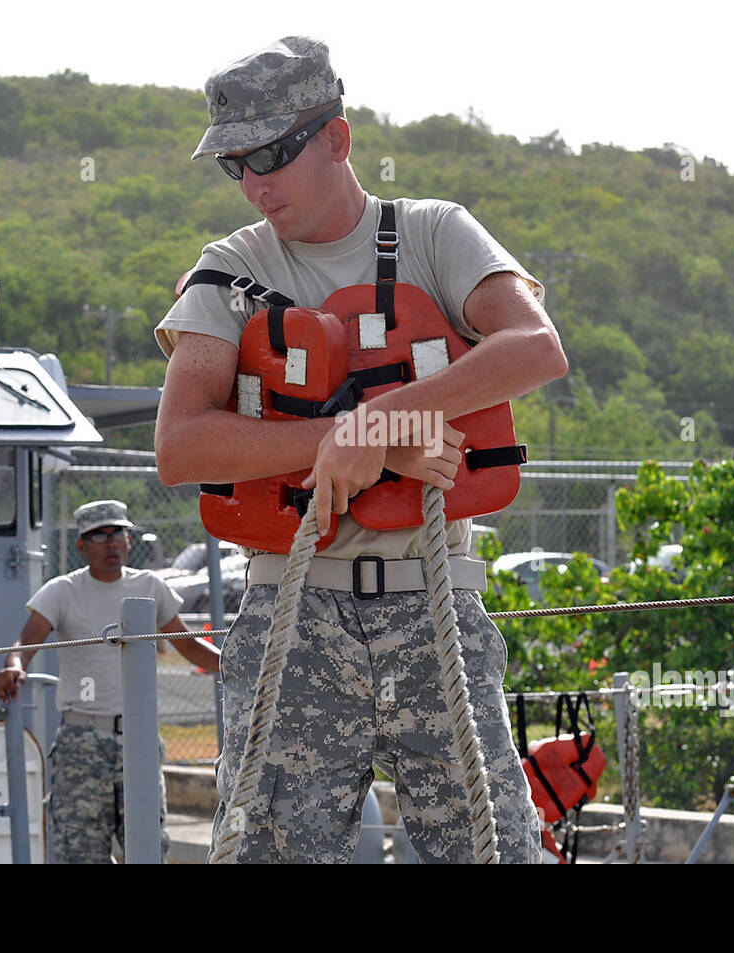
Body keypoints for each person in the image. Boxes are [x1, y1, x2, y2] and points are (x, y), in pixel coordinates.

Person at [154, 36, 568, 863]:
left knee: (494, 852)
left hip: (434, 601)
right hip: (292, 613)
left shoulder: (436, 235)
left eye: (272, 152)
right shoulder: (229, 272)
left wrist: (378, 424)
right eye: (235, 163)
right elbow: (182, 445)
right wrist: (359, 442)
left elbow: (534, 347)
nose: (255, 182)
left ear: (337, 138)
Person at [0, 499, 220, 864]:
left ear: (130, 541)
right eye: (99, 535)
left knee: (146, 848)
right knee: (81, 852)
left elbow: (188, 646)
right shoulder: (62, 591)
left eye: (118, 534)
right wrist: (14, 666)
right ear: (81, 545)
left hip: (139, 739)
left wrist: (236, 667)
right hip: (82, 741)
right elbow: (26, 642)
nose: (111, 543)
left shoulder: (150, 585)